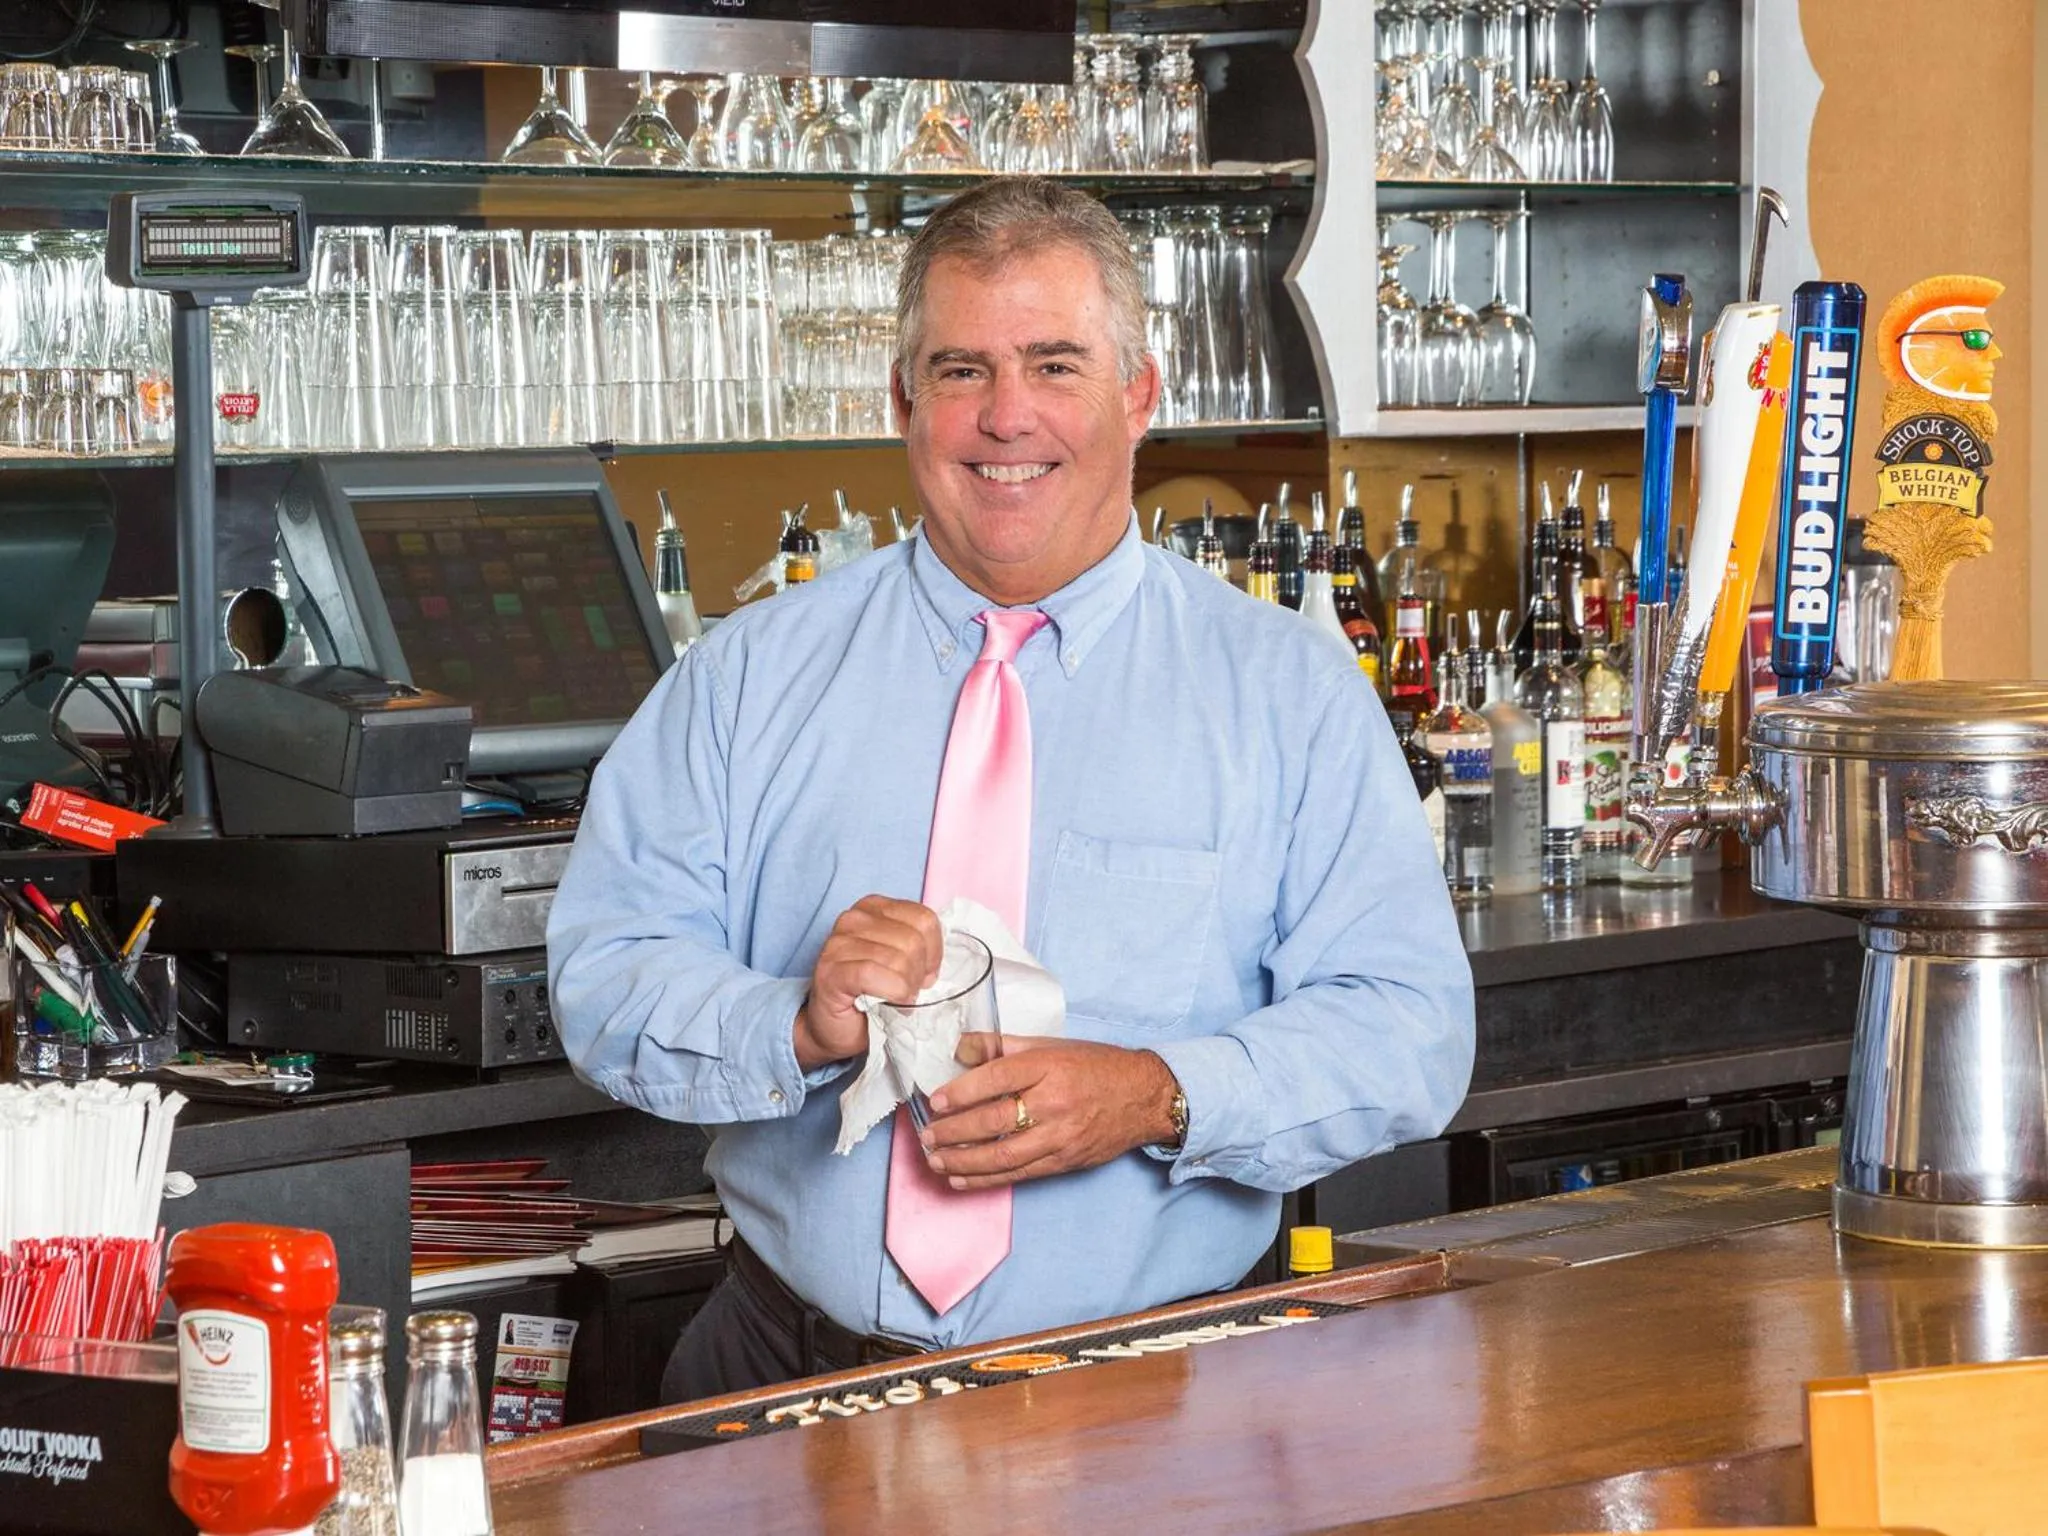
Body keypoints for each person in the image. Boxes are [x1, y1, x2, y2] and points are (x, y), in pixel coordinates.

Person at [547, 175, 1474, 1402]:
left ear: (1139, 396)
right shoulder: (745, 675)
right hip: (774, 1384)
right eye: (959, 372)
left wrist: (1156, 1094)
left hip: (1157, 1400)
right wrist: (794, 1025)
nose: (1004, 417)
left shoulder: (1283, 692)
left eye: (1053, 365)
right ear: (901, 403)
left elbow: (1409, 1027)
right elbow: (604, 970)